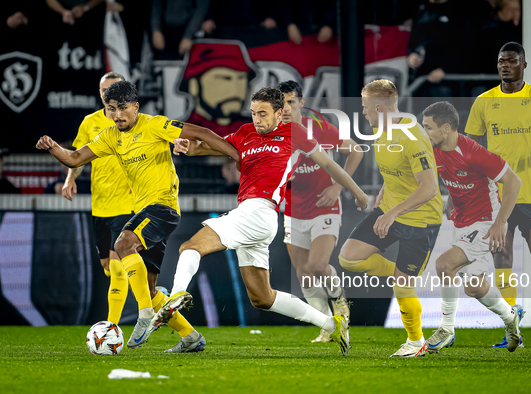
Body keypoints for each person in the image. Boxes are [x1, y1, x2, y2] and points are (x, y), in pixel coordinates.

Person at [156, 87, 369, 355]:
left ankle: (175, 296)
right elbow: (214, 147)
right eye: (254, 113)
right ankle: (331, 324)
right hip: (255, 217)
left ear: (280, 113)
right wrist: (190, 147)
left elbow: (329, 165)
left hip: (261, 210)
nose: (257, 119)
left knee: (190, 247)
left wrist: (358, 193)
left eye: (263, 114)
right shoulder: (245, 133)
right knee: (262, 298)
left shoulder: (296, 134)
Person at [35, 80, 240, 352]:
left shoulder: (154, 125)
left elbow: (200, 131)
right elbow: (74, 158)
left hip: (162, 207)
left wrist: (235, 155)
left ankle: (144, 315)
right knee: (151, 289)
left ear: (135, 107)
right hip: (145, 211)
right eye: (111, 109)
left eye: (122, 108)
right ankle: (191, 338)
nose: (117, 115)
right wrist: (52, 147)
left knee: (122, 245)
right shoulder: (109, 136)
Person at [465, 41, 531, 347]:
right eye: (501, 60)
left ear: (523, 65)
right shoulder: (484, 101)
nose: (505, 65)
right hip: (497, 197)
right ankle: (512, 326)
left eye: (511, 61)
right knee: (502, 259)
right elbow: (470, 149)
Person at [338, 79, 443, 357]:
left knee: (403, 284)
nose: (363, 113)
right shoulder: (379, 128)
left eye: (365, 108)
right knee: (348, 257)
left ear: (380, 107)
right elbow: (397, 170)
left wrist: (393, 212)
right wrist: (385, 193)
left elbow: (430, 188)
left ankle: (416, 341)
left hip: (421, 219)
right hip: (391, 208)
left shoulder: (411, 136)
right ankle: (401, 277)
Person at [420, 101, 523, 353]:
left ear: (446, 129)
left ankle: (446, 328)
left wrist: (501, 223)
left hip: (486, 221)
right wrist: (451, 200)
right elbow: (456, 177)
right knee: (474, 287)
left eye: (428, 128)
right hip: (462, 221)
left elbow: (513, 181)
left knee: (444, 264)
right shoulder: (434, 150)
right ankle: (511, 318)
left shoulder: (474, 152)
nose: (425, 133)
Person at [278, 80, 363, 343]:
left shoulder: (318, 129)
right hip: (293, 210)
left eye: (291, 102)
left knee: (317, 266)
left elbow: (356, 151)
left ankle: (341, 308)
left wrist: (338, 187)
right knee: (303, 273)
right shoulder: (274, 133)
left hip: (324, 207)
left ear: (301, 103)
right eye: (280, 104)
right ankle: (327, 325)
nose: (286, 109)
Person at [59, 72, 133, 325]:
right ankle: (157, 297)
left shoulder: (133, 121)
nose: (106, 93)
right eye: (103, 89)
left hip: (128, 204)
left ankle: (111, 326)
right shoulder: (90, 122)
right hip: (101, 205)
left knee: (116, 266)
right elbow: (78, 155)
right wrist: (71, 179)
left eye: (112, 88)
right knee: (107, 265)